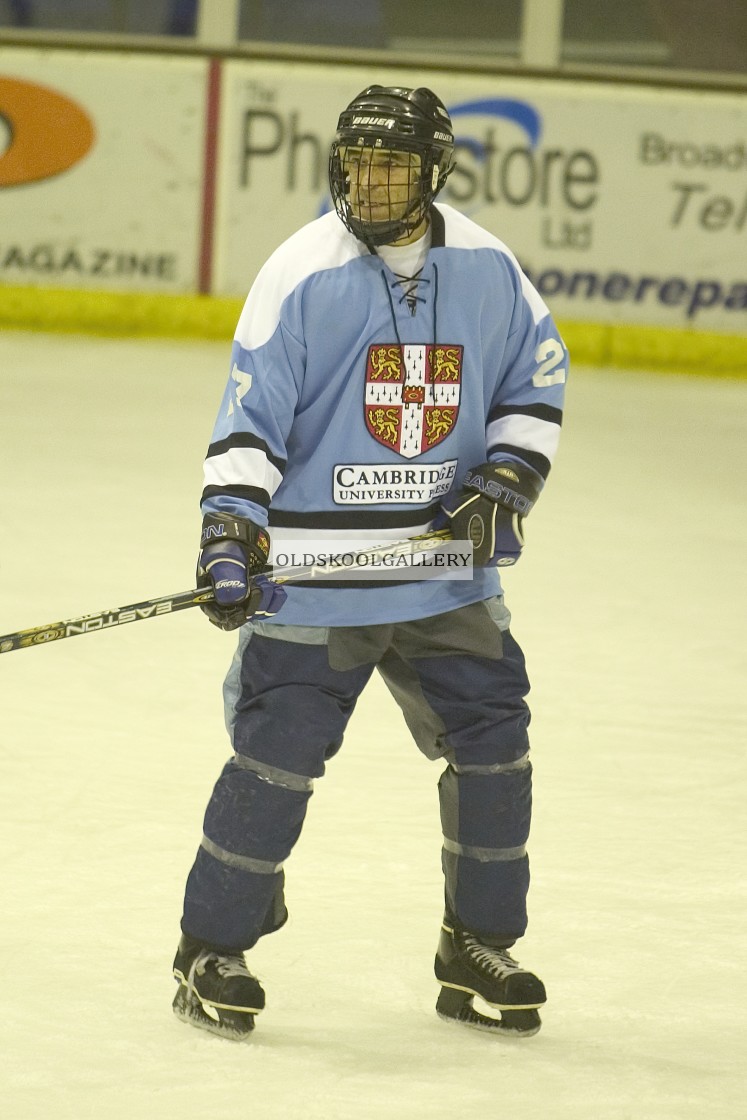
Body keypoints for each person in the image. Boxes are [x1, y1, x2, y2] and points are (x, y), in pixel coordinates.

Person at [172, 85, 568, 1041]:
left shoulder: (484, 263)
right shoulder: (301, 271)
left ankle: (474, 943)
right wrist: (230, 529)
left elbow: (536, 374)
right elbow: (248, 420)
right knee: (275, 759)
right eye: (357, 163)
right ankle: (209, 952)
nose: (371, 181)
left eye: (391, 165)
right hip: (316, 574)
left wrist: (508, 473)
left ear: (432, 170)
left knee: (494, 750)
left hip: (444, 577)